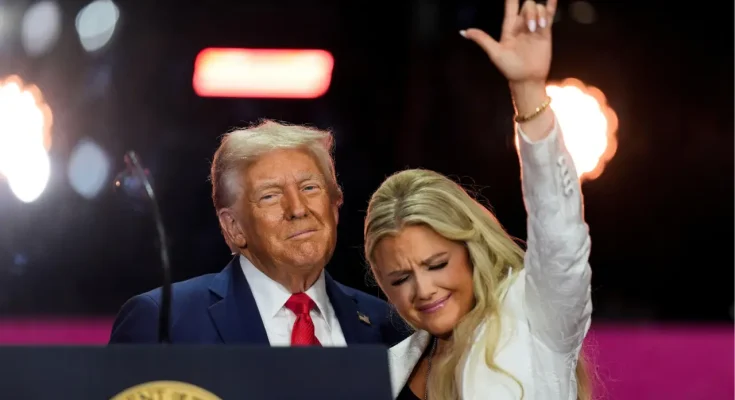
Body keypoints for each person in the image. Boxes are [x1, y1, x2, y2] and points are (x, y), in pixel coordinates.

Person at [363, 0, 594, 399]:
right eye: (400, 278)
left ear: (472, 249)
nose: (423, 289)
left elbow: (560, 232)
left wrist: (527, 91)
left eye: (436, 264)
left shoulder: (534, 315)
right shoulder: (387, 369)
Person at [109, 121, 407, 348]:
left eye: (309, 188)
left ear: (335, 207)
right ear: (233, 227)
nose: (298, 209)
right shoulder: (163, 322)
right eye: (270, 196)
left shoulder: (387, 325)